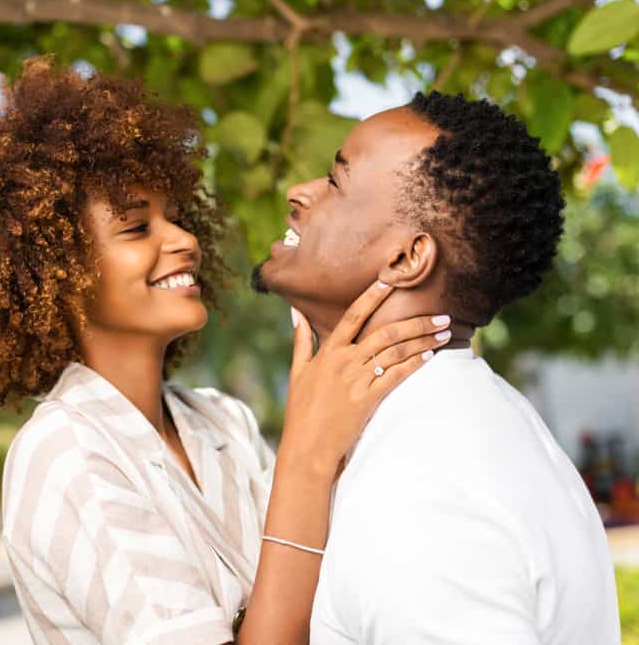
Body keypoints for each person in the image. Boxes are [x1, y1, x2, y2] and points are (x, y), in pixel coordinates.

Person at [0, 57, 452, 644]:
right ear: (56, 271)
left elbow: (334, 596)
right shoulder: (66, 456)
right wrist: (307, 452)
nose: (184, 240)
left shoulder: (222, 420)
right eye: (135, 228)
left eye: (174, 217)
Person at [253, 91, 620, 643]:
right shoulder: (462, 427)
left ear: (405, 259)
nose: (298, 193)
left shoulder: (422, 489)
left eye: (336, 182)